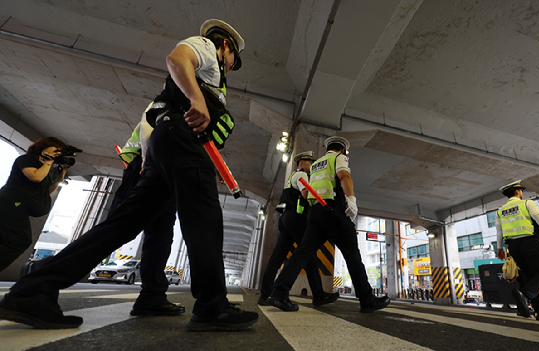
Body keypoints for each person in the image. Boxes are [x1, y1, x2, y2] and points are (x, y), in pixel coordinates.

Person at [0, 19, 258, 331]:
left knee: (121, 225)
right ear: (226, 45)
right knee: (204, 218)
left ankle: (33, 288)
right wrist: (197, 99)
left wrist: (155, 160)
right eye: (234, 60)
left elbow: (159, 115)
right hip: (180, 142)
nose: (232, 66)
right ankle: (212, 306)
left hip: (171, 148)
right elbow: (176, 59)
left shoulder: (211, 77)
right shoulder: (206, 48)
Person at [267, 136, 391, 313]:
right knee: (352, 256)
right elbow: (344, 176)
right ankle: (367, 299)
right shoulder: (338, 158)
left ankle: (279, 292)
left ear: (326, 150)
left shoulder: (317, 164)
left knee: (302, 253)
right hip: (333, 212)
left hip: (315, 214)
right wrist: (352, 201)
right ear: (344, 151)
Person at [108, 122, 183, 317]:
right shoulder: (175, 100)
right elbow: (149, 129)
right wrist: (146, 158)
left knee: (161, 238)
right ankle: (46, 276)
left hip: (165, 171)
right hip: (147, 167)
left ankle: (152, 296)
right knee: (117, 229)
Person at [258, 151, 339, 307]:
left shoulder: (291, 178)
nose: (312, 165)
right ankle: (317, 295)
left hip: (286, 219)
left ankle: (265, 295)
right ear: (302, 162)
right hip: (296, 218)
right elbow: (306, 194)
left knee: (277, 257)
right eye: (310, 163)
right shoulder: (301, 175)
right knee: (307, 254)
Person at [496, 180, 539, 322]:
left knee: (529, 278)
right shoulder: (526, 203)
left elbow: (499, 231)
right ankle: (525, 295)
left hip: (513, 246)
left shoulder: (500, 211)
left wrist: (499, 248)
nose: (522, 193)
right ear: (517, 192)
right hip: (530, 243)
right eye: (521, 191)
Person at [0, 137, 68, 272]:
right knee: (20, 240)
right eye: (56, 149)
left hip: (18, 206)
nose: (58, 153)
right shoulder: (26, 160)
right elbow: (35, 177)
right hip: (11, 202)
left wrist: (61, 176)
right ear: (44, 147)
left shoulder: (44, 169)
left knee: (7, 239)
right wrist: (48, 162)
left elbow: (46, 191)